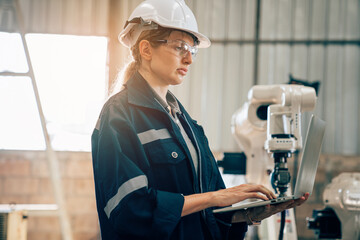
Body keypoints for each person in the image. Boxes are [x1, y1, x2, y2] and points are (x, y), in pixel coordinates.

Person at [91, 0, 309, 239]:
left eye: (191, 49)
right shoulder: (119, 115)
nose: (189, 59)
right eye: (179, 47)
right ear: (146, 49)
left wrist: (251, 212)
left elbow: (213, 214)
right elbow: (130, 209)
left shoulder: (189, 127)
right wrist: (213, 198)